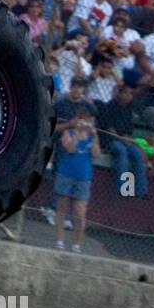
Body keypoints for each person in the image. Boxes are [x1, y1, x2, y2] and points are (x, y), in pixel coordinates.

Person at [54, 103, 100, 253]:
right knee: (62, 208)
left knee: (80, 212)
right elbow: (71, 149)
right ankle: (60, 240)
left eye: (86, 119)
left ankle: (77, 244)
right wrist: (76, 133)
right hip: (66, 173)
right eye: (81, 118)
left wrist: (94, 136)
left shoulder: (91, 135)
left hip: (84, 176)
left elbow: (96, 154)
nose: (83, 122)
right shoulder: (68, 133)